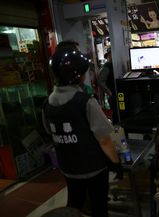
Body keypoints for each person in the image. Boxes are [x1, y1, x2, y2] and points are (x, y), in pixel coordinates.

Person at [42, 47, 122, 217]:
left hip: (68, 167)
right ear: (78, 75)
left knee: (74, 204)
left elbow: (50, 131)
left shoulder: (47, 104)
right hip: (94, 167)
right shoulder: (86, 102)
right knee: (99, 206)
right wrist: (116, 163)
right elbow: (104, 140)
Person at [97, 48, 118, 124]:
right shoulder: (107, 66)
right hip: (113, 95)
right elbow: (100, 81)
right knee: (116, 115)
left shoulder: (114, 65)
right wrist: (109, 92)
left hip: (116, 94)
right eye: (110, 55)